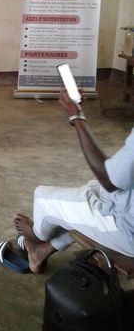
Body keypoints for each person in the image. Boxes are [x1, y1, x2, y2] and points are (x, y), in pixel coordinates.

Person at [14, 88, 134, 274]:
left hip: (126, 231)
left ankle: (36, 236)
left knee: (43, 197)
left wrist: (76, 116)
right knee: (87, 194)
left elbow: (109, 178)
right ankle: (40, 252)